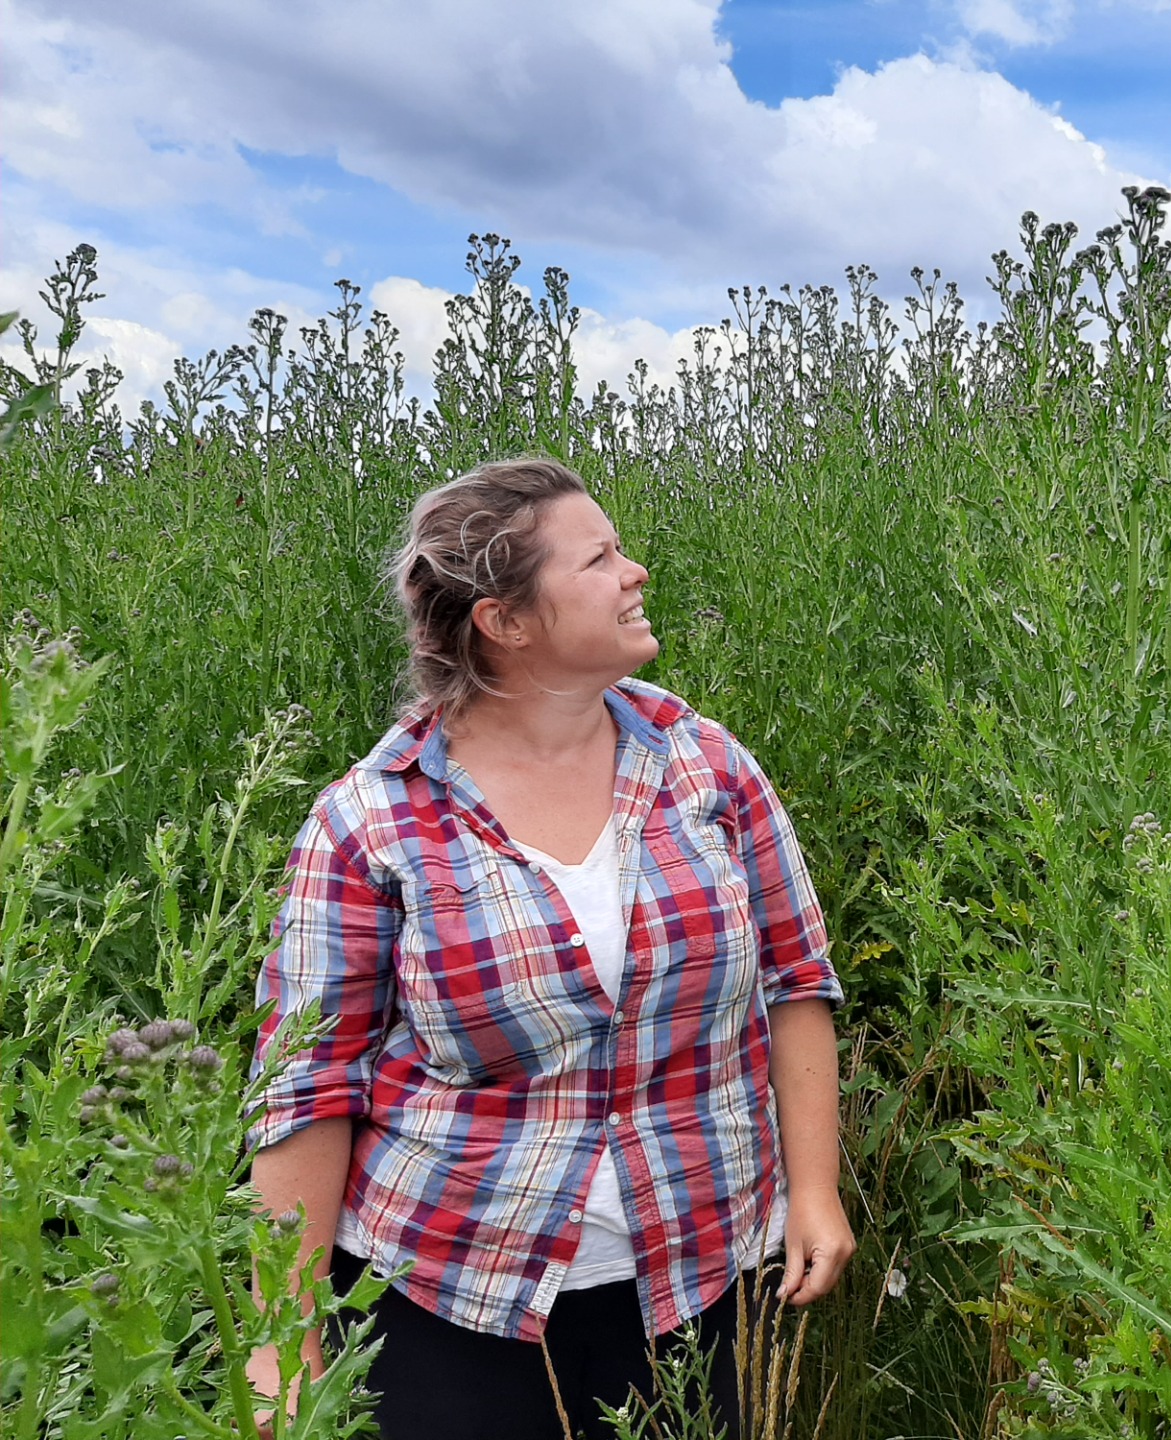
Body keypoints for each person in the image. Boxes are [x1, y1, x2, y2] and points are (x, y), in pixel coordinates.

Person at [245, 457, 853, 1439]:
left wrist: (813, 1191)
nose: (635, 572)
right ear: (507, 621)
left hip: (701, 1276)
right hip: (448, 1300)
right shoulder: (371, 821)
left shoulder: (708, 768)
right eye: (600, 559)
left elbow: (796, 978)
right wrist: (284, 1337)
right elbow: (308, 1086)